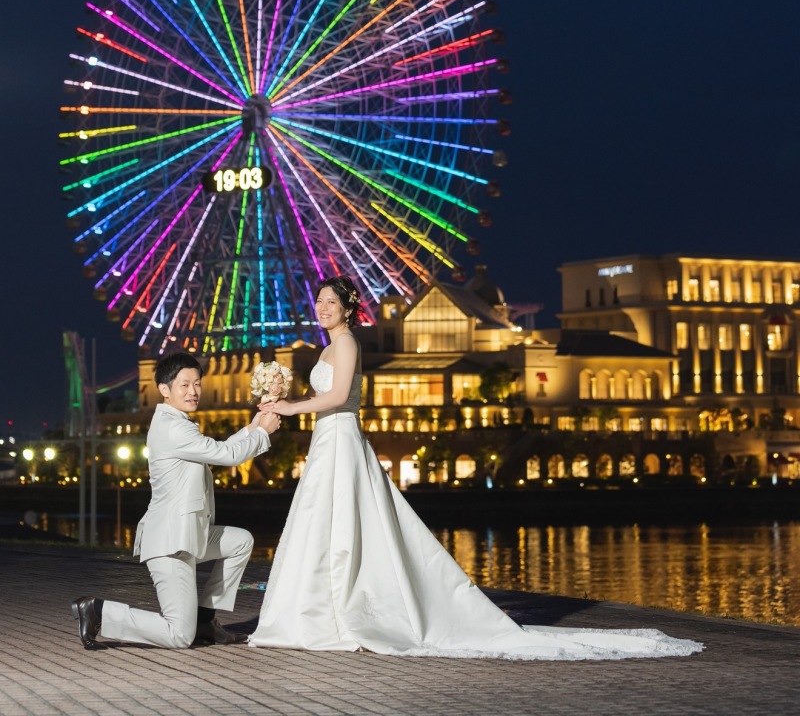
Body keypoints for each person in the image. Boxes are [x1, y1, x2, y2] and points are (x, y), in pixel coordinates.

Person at [249, 276, 703, 661]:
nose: (323, 308)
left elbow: (336, 397)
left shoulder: (346, 344)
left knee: (343, 518)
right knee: (324, 520)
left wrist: (288, 407)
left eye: (332, 302)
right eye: (320, 301)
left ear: (349, 309)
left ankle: (339, 609)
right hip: (327, 439)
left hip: (341, 435)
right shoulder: (329, 348)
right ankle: (321, 607)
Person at [71, 350, 280, 650]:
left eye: (197, 383)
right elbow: (226, 455)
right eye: (185, 385)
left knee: (241, 541)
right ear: (165, 390)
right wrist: (262, 434)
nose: (194, 391)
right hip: (170, 543)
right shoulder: (173, 427)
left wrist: (252, 427)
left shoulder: (178, 423)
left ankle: (205, 621)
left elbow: (216, 450)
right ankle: (99, 611)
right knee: (179, 635)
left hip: (189, 533)